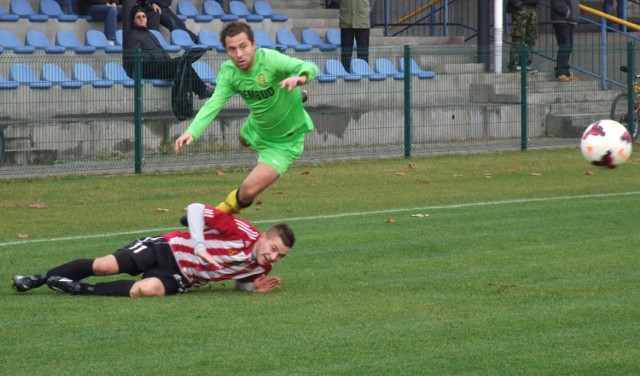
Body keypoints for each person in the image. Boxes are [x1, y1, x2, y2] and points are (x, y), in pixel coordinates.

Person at [174, 22, 317, 215]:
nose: (239, 54)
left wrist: (301, 77)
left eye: (243, 47)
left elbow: (308, 66)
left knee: (248, 191)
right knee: (243, 140)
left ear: (253, 45)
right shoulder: (229, 72)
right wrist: (192, 131)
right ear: (226, 51)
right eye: (232, 49)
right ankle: (294, 99)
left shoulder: (270, 60)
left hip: (283, 142)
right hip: (256, 126)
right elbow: (214, 102)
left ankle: (216, 216)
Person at [11, 203, 295, 297]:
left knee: (145, 291)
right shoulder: (242, 231)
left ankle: (75, 288)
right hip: (167, 249)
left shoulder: (263, 265)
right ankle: (37, 278)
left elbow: (239, 282)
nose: (272, 257)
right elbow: (195, 208)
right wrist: (199, 246)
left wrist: (250, 289)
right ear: (263, 237)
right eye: (272, 249)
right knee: (103, 266)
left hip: (181, 278)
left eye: (279, 256)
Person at [122, 6, 214, 99]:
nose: (142, 19)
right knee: (182, 63)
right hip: (146, 69)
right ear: (133, 20)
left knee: (183, 66)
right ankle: (202, 90)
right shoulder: (132, 36)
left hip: (159, 67)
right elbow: (132, 58)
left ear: (146, 19)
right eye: (138, 17)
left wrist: (169, 62)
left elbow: (162, 52)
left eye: (143, 16)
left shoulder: (150, 34)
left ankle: (192, 99)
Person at [337, 0, 371, 72]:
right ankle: (345, 71)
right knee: (346, 50)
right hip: (346, 19)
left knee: (363, 50)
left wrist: (366, 6)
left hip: (362, 19)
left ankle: (363, 71)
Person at [506, 0, 540, 73]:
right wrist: (518, 5)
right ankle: (515, 64)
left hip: (532, 7)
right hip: (520, 8)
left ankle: (525, 64)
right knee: (518, 37)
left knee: (530, 37)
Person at [550, 0, 580, 82]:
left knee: (568, 47)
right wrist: (567, 11)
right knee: (565, 46)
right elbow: (557, 3)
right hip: (562, 19)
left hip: (569, 20)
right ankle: (560, 72)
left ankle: (565, 72)